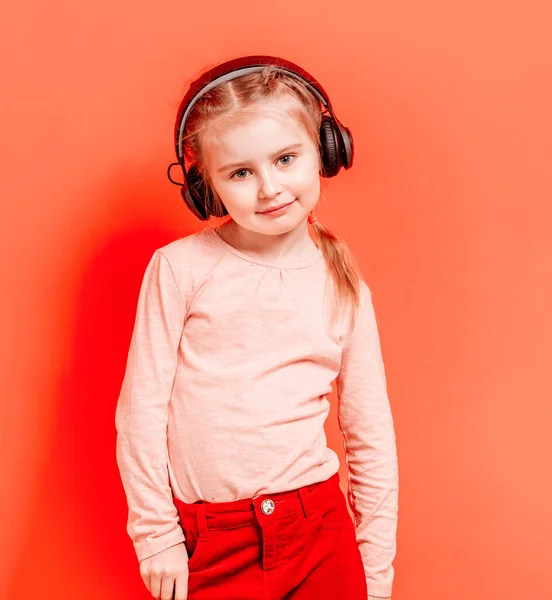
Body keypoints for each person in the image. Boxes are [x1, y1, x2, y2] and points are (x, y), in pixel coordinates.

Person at [115, 55, 399, 600]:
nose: (269, 188)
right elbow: (141, 411)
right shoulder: (179, 269)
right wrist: (156, 536)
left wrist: (375, 573)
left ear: (326, 151)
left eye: (286, 158)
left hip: (321, 534)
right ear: (207, 186)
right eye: (240, 172)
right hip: (213, 542)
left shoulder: (344, 287)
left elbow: (371, 437)